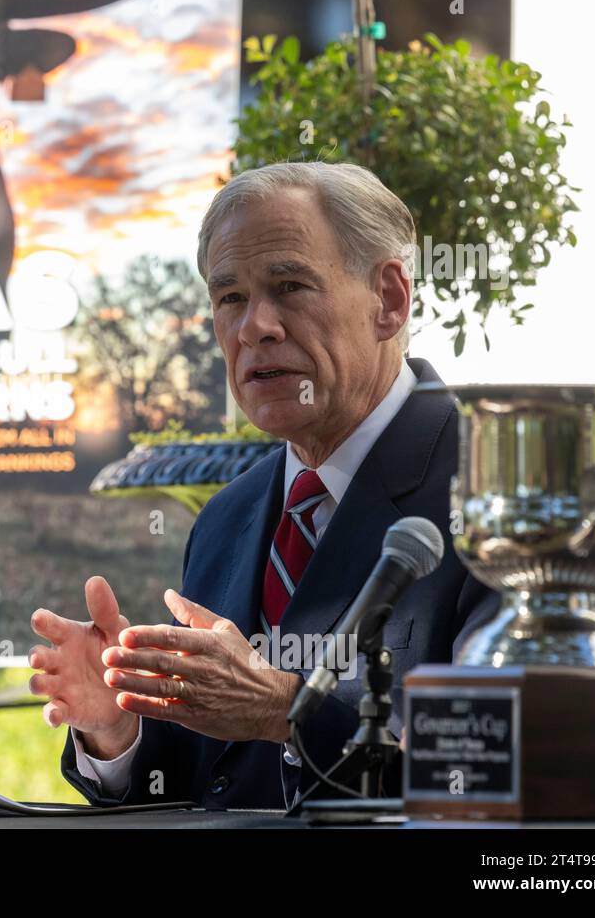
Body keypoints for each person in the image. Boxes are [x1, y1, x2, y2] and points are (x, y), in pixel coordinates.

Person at [29, 161, 499, 809]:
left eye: (290, 285)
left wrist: (284, 708)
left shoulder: (504, 495)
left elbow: (504, 768)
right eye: (230, 299)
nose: (255, 327)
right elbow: (209, 779)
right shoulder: (227, 516)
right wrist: (120, 728)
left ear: (389, 299)